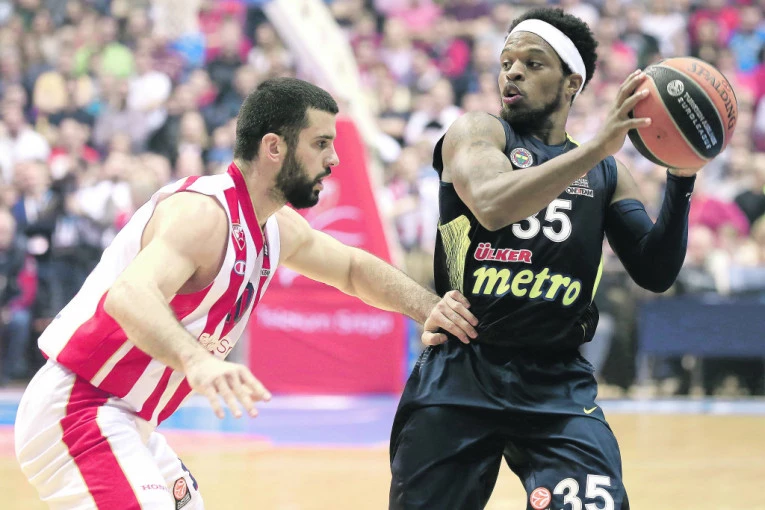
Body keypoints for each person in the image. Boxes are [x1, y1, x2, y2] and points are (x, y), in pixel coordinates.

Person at [14, 77, 479, 510]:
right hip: (81, 408)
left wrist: (429, 307)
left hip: (130, 420)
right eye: (320, 143)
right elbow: (128, 295)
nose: (334, 159)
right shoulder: (203, 213)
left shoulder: (274, 226)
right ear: (274, 147)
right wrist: (197, 362)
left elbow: (354, 269)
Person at [391, 8, 702, 510]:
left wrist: (682, 177)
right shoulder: (477, 132)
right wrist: (595, 148)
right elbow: (491, 203)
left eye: (532, 64)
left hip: (557, 383)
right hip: (461, 371)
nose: (512, 72)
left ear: (572, 82)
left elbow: (656, 271)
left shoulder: (606, 174)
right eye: (506, 62)